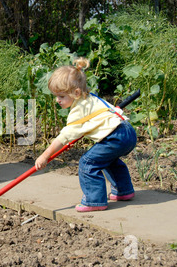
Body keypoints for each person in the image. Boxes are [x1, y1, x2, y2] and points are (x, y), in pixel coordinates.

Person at [35, 58, 137, 212]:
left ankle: (94, 201)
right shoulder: (90, 97)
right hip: (127, 132)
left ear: (76, 93)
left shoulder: (78, 110)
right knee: (108, 160)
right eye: (56, 96)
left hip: (115, 136)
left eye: (61, 96)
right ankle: (124, 191)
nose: (57, 100)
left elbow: (63, 137)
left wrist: (45, 156)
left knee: (87, 163)